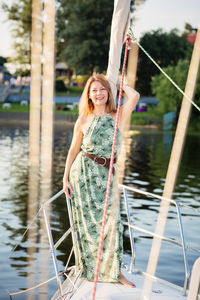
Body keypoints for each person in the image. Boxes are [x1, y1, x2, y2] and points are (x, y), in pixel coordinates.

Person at [63, 74, 139, 287]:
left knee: (113, 223)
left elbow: (134, 96)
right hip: (83, 174)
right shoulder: (83, 119)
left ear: (108, 93)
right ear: (88, 95)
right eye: (94, 90)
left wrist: (120, 84)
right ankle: (92, 270)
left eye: (102, 89)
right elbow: (72, 150)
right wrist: (64, 177)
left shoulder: (117, 115)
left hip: (106, 175)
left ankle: (116, 273)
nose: (99, 93)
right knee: (89, 225)